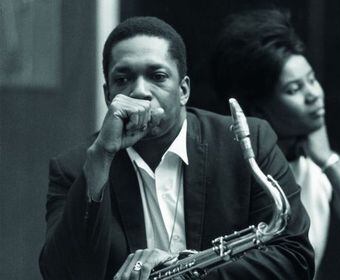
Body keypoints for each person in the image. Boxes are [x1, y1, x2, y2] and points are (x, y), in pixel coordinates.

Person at [39, 16, 315, 280]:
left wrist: (183, 270)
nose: (140, 91)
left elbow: (295, 259)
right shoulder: (77, 168)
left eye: (157, 76)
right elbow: (62, 274)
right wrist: (101, 158)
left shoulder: (247, 142)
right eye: (122, 79)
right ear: (108, 94)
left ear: (183, 90)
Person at [211, 9, 340, 279]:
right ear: (257, 109)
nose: (313, 94)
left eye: (312, 80)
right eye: (294, 89)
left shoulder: (316, 166)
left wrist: (327, 160)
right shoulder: (235, 173)